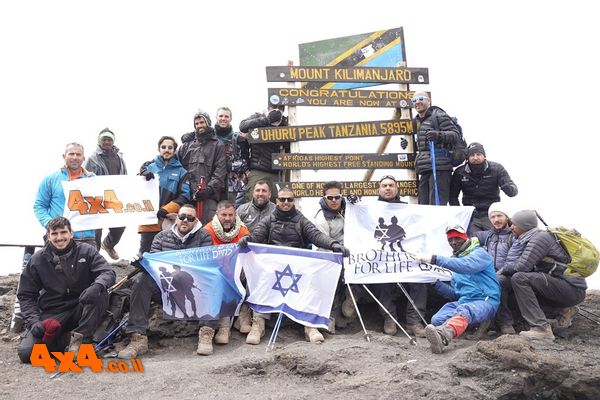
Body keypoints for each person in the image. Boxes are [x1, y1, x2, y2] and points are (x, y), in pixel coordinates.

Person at [238, 187, 350, 344]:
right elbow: (256, 237)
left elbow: (316, 235)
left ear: (294, 201)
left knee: (311, 282)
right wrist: (247, 240)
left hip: (297, 269)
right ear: (276, 201)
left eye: (289, 199)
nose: (286, 202)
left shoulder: (301, 219)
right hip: (274, 269)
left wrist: (334, 245)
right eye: (282, 199)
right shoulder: (269, 220)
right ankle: (259, 323)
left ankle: (309, 326)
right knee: (261, 278)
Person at [117, 204, 213, 359]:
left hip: (193, 287)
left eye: (190, 218)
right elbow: (153, 266)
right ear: (176, 219)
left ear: (195, 221)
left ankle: (206, 332)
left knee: (212, 281)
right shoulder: (161, 237)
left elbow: (208, 265)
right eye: (182, 217)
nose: (185, 220)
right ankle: (138, 338)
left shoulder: (204, 237)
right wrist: (141, 263)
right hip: (166, 288)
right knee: (142, 281)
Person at [16, 217, 116, 363]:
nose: (59, 237)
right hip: (54, 312)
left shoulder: (86, 251)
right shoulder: (37, 260)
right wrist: (33, 321)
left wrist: (96, 286)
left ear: (71, 234)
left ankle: (81, 340)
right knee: (27, 353)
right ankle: (66, 340)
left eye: (63, 232)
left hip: (82, 307)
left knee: (100, 292)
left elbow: (108, 273)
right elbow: (26, 295)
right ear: (48, 236)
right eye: (54, 234)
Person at [496, 210, 587, 340]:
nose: (511, 227)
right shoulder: (527, 238)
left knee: (519, 278)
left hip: (571, 289)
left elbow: (522, 267)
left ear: (524, 225)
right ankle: (561, 311)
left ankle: (541, 328)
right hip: (557, 286)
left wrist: (502, 270)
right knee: (508, 288)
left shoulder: (540, 238)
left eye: (514, 224)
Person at [417, 225, 500, 354]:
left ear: (465, 237)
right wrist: (435, 283)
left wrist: (434, 259)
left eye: (457, 238)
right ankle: (446, 332)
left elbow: (466, 265)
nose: (453, 242)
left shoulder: (479, 254)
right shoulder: (456, 262)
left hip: (486, 301)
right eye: (450, 240)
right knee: (437, 319)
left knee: (464, 310)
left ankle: (444, 336)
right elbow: (456, 294)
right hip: (465, 301)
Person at [369, 175, 427, 337]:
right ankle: (389, 318)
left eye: (391, 185)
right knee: (381, 282)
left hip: (404, 256)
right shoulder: (370, 209)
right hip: (382, 258)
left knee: (420, 281)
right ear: (379, 190)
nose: (388, 188)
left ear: (396, 189)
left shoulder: (407, 209)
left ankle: (414, 321)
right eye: (384, 185)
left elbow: (417, 230)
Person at [200, 199, 251, 351]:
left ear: (235, 214)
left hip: (237, 271)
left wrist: (248, 241)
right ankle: (224, 322)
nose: (228, 218)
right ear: (217, 214)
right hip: (217, 272)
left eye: (231, 215)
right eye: (224, 215)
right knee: (218, 279)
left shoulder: (243, 231)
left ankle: (243, 314)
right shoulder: (207, 231)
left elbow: (250, 254)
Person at [33, 143, 97, 247]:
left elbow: (104, 205)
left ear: (83, 158)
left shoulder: (94, 180)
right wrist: (50, 224)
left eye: (78, 154)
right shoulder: (50, 179)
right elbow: (39, 206)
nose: (75, 157)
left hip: (87, 238)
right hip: (58, 238)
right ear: (64, 156)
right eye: (71, 154)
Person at [138, 136, 191, 254]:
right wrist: (142, 174)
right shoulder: (148, 167)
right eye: (163, 147)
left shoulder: (182, 172)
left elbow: (185, 196)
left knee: (165, 255)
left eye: (170, 147)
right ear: (159, 149)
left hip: (167, 221)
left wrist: (166, 210)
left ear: (174, 150)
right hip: (148, 220)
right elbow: (136, 190)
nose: (166, 150)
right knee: (144, 255)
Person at [182, 107, 247, 203]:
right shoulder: (209, 136)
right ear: (216, 117)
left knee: (229, 213)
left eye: (226, 116)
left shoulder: (238, 138)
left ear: (231, 118)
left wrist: (229, 166)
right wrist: (186, 137)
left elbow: (245, 161)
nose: (223, 118)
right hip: (211, 185)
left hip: (231, 184)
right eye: (221, 116)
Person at [449, 142, 518, 233]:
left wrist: (509, 188)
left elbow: (513, 191)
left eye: (478, 154)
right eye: (472, 155)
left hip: (492, 213)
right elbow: (453, 196)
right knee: (473, 240)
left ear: (484, 156)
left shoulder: (497, 168)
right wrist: (459, 213)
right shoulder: (459, 172)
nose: (475, 157)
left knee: (494, 239)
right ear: (467, 158)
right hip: (470, 214)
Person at [177, 109, 227, 225]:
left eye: (202, 122)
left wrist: (209, 190)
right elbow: (172, 162)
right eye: (197, 124)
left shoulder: (218, 145)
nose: (200, 126)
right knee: (186, 229)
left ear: (208, 123)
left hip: (208, 198)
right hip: (188, 197)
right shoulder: (186, 146)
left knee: (208, 229)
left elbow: (220, 171)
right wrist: (148, 165)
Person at [85, 128, 128, 259]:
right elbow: (86, 179)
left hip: (115, 198)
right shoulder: (92, 158)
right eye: (104, 139)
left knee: (120, 225)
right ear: (99, 141)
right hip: (97, 199)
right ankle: (95, 257)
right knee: (96, 230)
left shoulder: (119, 157)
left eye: (109, 139)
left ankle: (108, 244)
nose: (107, 142)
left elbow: (125, 175)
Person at [412, 92, 460, 205]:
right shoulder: (418, 121)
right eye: (414, 100)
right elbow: (423, 145)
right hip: (425, 168)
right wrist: (410, 144)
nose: (417, 102)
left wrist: (438, 135)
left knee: (437, 205)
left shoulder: (438, 115)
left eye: (420, 99)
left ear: (429, 100)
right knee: (423, 205)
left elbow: (455, 135)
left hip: (440, 168)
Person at [313, 181, 348, 332]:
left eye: (337, 197)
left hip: (353, 253)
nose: (334, 200)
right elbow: (324, 242)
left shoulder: (350, 209)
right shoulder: (320, 217)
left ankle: (350, 305)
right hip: (332, 254)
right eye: (330, 197)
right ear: (324, 197)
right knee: (331, 280)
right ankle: (331, 316)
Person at [238, 104, 290, 202]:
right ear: (268, 107)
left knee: (274, 205)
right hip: (258, 170)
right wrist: (267, 120)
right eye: (274, 107)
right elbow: (242, 126)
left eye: (280, 108)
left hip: (276, 172)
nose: (277, 110)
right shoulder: (259, 116)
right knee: (252, 202)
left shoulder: (286, 122)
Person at [474, 202, 515, 271]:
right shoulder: (488, 235)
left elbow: (514, 263)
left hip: (506, 276)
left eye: (499, 216)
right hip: (490, 274)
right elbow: (469, 236)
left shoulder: (514, 236)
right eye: (492, 217)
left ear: (507, 217)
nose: (496, 220)